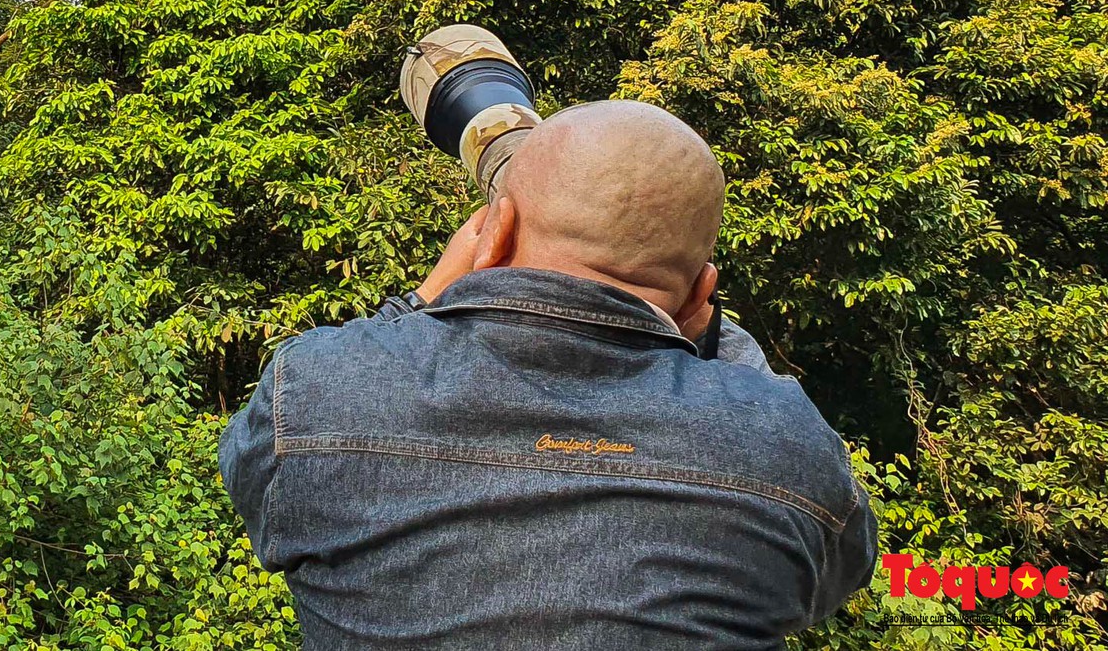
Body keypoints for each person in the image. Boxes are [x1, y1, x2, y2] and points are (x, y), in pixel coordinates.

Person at [219, 99, 876, 650]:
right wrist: (711, 343)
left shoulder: (313, 395)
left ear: (493, 233)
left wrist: (422, 299)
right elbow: (837, 573)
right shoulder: (788, 449)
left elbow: (251, 476)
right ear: (701, 286)